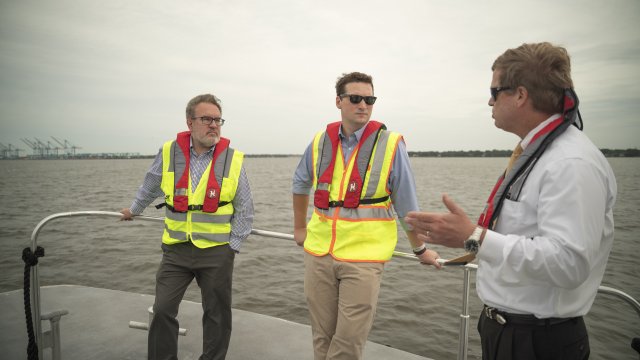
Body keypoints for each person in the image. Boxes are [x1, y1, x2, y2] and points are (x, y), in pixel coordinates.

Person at [405, 42, 617, 360]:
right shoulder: (537, 154)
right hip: (507, 332)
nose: (489, 100)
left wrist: (472, 236)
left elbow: (570, 264)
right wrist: (469, 238)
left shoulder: (570, 163)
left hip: (538, 343)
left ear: (520, 95)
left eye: (495, 90)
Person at [292, 71, 441, 360]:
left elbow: (407, 204)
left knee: (347, 343)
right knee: (322, 337)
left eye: (369, 99)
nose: (364, 105)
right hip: (320, 254)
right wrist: (299, 228)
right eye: (356, 98)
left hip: (363, 260)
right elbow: (299, 182)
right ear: (339, 101)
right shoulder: (320, 141)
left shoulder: (391, 144)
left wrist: (419, 249)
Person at [120, 94, 254, 360]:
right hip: (176, 250)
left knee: (217, 315)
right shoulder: (170, 152)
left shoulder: (232, 159)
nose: (213, 125)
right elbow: (151, 185)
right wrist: (133, 210)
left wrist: (232, 247)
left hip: (217, 252)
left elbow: (245, 208)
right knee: (162, 309)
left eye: (218, 120)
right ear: (190, 122)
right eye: (206, 119)